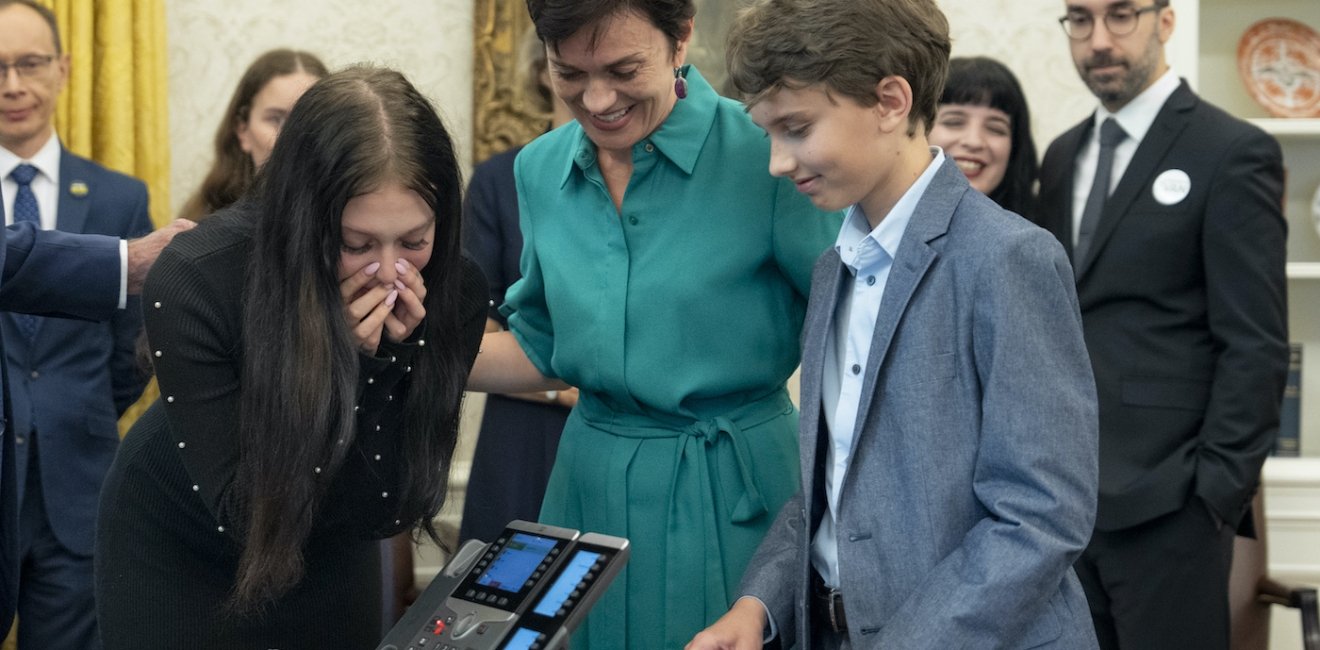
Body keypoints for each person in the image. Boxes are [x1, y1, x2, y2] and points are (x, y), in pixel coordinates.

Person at [688, 0, 1101, 647]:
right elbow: (830, 487)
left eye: (795, 128)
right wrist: (757, 606)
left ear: (890, 102)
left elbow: (1040, 517)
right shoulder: (833, 268)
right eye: (768, 133)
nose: (777, 161)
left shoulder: (1009, 259)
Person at [464, 0, 841, 646]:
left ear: (682, 38)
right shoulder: (539, 169)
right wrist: (403, 350)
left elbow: (849, 337)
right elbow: (544, 346)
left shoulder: (766, 156)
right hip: (585, 490)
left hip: (730, 492)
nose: (597, 98)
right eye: (570, 74)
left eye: (622, 68)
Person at [93, 66, 487, 649]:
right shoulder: (199, 278)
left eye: (413, 241)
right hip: (185, 539)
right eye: (354, 244)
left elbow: (388, 509)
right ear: (305, 221)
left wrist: (382, 367)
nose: (386, 270)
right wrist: (340, 368)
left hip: (333, 534)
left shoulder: (453, 288)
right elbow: (246, 513)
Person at [1036, 1, 1288, 648]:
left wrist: (1211, 499)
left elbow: (1255, 344)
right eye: (1080, 20)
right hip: (1068, 504)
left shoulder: (1231, 150)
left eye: (1121, 16)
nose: (1099, 40)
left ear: (1165, 21)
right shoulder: (1062, 155)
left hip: (1171, 509)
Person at [0, 1, 153, 647]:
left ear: (63, 69)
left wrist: (80, 412)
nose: (12, 86)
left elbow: (132, 349)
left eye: (29, 64)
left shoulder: (119, 197)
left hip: (79, 488)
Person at [458, 26, 576, 546]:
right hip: (521, 437)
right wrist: (572, 387)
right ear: (541, 71)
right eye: (570, 65)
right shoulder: (496, 181)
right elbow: (470, 337)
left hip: (627, 436)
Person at [178, 48, 327, 222]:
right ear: (243, 130)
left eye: (307, 118)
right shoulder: (201, 230)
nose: (291, 136)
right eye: (276, 119)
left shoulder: (351, 221)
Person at [928, 56, 1038, 217]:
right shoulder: (882, 223)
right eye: (954, 122)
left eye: (995, 128)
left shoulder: (1041, 238)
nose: (974, 142)